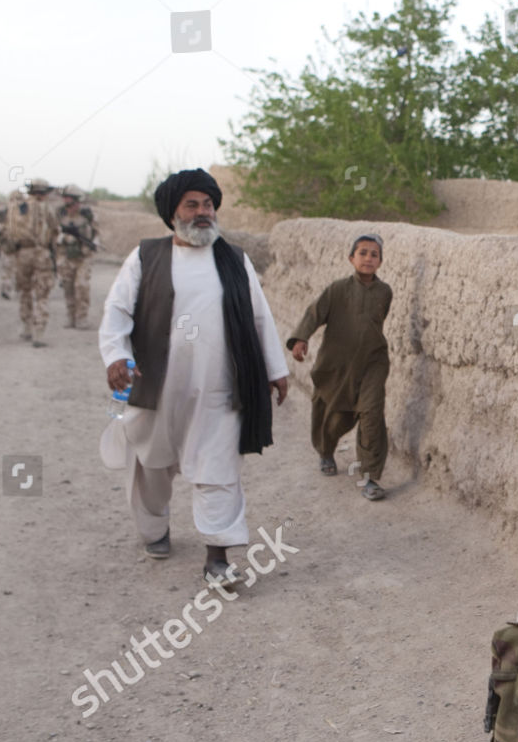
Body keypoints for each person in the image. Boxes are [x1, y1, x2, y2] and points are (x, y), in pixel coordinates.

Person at [98, 168, 291, 588]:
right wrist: (116, 356)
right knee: (151, 464)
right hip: (158, 387)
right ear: (173, 213)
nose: (203, 212)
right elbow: (117, 313)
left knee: (218, 467)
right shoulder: (146, 257)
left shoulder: (234, 258)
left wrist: (276, 369)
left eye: (208, 204)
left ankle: (217, 559)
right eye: (192, 205)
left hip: (219, 389)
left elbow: (261, 318)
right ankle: (154, 528)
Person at [286, 233, 391, 501]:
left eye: (374, 254)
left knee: (371, 413)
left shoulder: (384, 292)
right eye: (363, 253)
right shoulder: (337, 289)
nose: (368, 258)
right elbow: (314, 313)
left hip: (372, 363)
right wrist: (300, 338)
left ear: (380, 261)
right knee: (332, 414)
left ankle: (370, 477)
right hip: (336, 365)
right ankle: (325, 450)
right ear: (351, 258)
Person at [3, 178, 58, 346]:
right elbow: (55, 230)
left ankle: (26, 327)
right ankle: (39, 332)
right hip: (40, 253)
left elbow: (8, 232)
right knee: (42, 293)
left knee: (24, 291)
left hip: (22, 254)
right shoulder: (45, 208)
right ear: (42, 193)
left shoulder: (16, 208)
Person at [56, 183, 100, 329]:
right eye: (66, 202)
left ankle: (82, 318)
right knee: (68, 287)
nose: (69, 206)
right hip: (66, 256)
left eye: (71, 202)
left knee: (81, 287)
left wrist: (91, 243)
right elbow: (54, 234)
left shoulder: (88, 215)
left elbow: (96, 235)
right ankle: (71, 318)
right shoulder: (60, 214)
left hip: (83, 257)